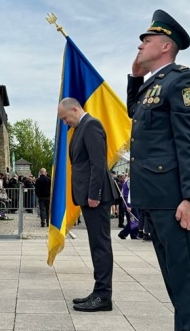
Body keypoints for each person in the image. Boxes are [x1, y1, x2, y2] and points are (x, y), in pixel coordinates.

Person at [127, 9, 190, 330]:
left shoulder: (182, 81)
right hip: (156, 198)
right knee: (176, 283)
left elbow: (189, 142)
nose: (139, 46)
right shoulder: (154, 84)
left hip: (175, 199)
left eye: (145, 40)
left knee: (187, 284)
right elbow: (136, 113)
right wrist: (135, 78)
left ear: (164, 45)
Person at [57, 97, 117, 312]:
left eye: (65, 118)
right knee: (96, 245)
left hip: (96, 197)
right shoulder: (81, 127)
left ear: (75, 109)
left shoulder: (91, 124)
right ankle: (99, 291)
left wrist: (95, 194)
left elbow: (98, 163)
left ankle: (103, 296)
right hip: (89, 196)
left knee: (101, 245)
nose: (65, 123)